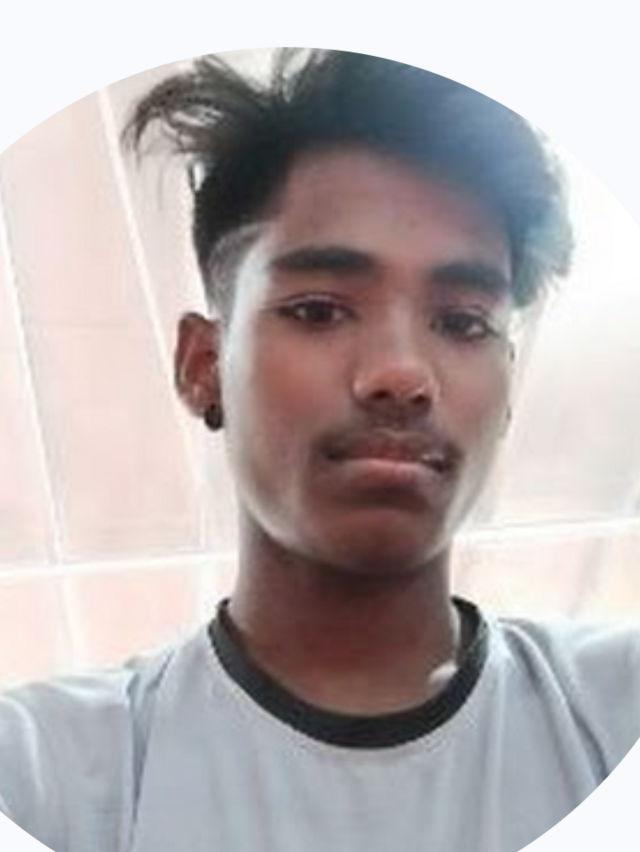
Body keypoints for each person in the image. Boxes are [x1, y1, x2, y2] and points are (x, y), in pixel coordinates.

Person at [0, 48, 638, 852]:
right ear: (203, 366)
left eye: (463, 322)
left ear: (506, 387)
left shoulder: (612, 716)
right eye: (319, 310)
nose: (402, 374)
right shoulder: (49, 774)